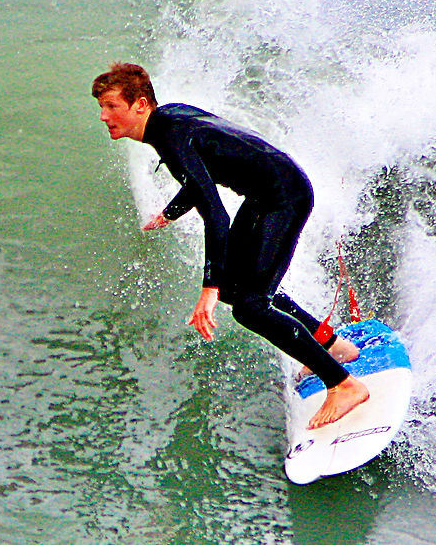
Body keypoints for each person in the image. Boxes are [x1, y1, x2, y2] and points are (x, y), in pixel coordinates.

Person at [91, 62, 369, 429]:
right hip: (268, 193)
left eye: (111, 106)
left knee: (250, 307)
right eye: (102, 107)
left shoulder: (170, 139)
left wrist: (208, 286)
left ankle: (343, 384)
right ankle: (330, 344)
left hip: (283, 197)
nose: (103, 116)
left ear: (140, 104)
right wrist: (170, 213)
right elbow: (199, 179)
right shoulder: (170, 119)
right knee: (237, 290)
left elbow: (216, 217)